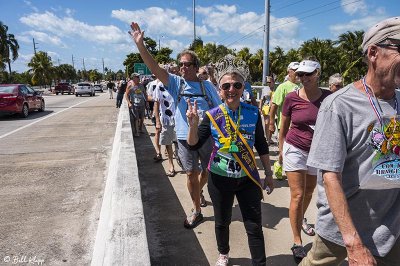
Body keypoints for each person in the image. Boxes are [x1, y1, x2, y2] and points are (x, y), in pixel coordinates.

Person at [300, 17, 400, 266]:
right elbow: (329, 175)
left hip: (392, 229)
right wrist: (353, 242)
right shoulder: (338, 105)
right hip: (342, 229)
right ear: (374, 53)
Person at [129, 22, 221, 229]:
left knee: (207, 171)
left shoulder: (207, 86)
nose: (183, 67)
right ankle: (196, 209)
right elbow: (154, 67)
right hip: (183, 136)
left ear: (196, 67)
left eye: (188, 64)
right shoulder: (176, 83)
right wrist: (140, 46)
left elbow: (220, 109)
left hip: (206, 137)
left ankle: (199, 190)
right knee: (190, 173)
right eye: (181, 64)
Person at [187, 54, 274, 266]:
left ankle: (259, 263)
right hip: (219, 178)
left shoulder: (253, 113)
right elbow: (194, 144)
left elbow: (262, 145)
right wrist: (192, 124)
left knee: (254, 225)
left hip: (247, 178)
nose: (231, 90)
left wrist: (269, 174)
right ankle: (223, 253)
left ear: (243, 88)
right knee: (222, 221)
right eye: (226, 86)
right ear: (220, 90)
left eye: (237, 85)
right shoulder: (212, 115)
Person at [278, 57, 332, 262]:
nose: (304, 78)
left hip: (317, 152)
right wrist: (281, 148)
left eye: (308, 74)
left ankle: (300, 218)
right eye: (300, 74)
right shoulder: (292, 97)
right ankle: (297, 240)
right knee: (298, 195)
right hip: (295, 149)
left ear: (318, 73)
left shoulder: (328, 97)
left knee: (309, 192)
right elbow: (284, 124)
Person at [269, 62, 300, 138]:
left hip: (300, 126)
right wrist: (271, 123)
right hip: (285, 126)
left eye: (299, 71)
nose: (298, 73)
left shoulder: (304, 86)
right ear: (289, 72)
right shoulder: (282, 87)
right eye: (295, 70)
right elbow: (274, 105)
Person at [153, 79, 177, 176]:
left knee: (180, 143)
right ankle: (171, 165)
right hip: (166, 119)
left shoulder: (178, 84)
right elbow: (156, 103)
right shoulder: (159, 86)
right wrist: (158, 121)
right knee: (168, 143)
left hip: (179, 119)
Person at [125, 72, 147, 137]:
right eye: (137, 77)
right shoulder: (130, 85)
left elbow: (145, 93)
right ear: (133, 78)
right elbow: (126, 95)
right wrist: (129, 103)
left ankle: (140, 128)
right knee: (136, 119)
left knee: (142, 118)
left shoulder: (141, 85)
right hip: (134, 105)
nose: (138, 78)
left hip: (142, 104)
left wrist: (147, 102)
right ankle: (137, 132)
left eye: (139, 77)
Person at [259, 75, 275, 143]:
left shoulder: (277, 88)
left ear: (273, 81)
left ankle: (270, 137)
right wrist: (260, 108)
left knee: (273, 123)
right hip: (266, 107)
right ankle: (267, 138)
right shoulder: (265, 89)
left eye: (270, 82)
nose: (268, 83)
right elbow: (261, 99)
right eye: (267, 82)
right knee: (267, 123)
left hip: (275, 107)